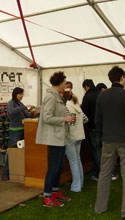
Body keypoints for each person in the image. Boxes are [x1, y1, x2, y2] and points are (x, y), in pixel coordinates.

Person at [94, 66, 125, 220]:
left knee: (104, 174)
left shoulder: (102, 96)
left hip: (108, 140)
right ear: (122, 78)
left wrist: (101, 139)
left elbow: (97, 121)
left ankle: (100, 207)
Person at [36, 71, 75, 207]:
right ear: (59, 83)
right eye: (64, 83)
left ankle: (55, 192)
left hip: (60, 136)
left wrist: (68, 117)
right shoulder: (50, 97)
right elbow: (46, 117)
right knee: (53, 167)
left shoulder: (58, 96)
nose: (66, 85)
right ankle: (47, 196)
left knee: (59, 166)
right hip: (54, 137)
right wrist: (64, 119)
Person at [1, 87, 32, 181]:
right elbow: (11, 111)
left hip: (23, 130)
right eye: (21, 94)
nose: (22, 96)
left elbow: (27, 114)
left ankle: (18, 172)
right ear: (16, 94)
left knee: (21, 153)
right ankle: (5, 174)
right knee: (13, 152)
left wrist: (32, 113)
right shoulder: (11, 103)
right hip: (15, 131)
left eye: (23, 94)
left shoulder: (20, 103)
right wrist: (23, 107)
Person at [65, 93, 88, 192]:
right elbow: (86, 119)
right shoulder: (77, 107)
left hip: (71, 136)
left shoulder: (67, 107)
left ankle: (76, 187)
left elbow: (70, 123)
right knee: (77, 160)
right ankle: (80, 183)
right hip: (80, 135)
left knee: (73, 161)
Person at [81, 79, 101, 181]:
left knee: (96, 151)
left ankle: (98, 174)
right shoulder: (101, 94)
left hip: (93, 126)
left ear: (86, 87)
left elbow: (83, 112)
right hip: (104, 126)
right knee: (105, 150)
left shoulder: (87, 96)